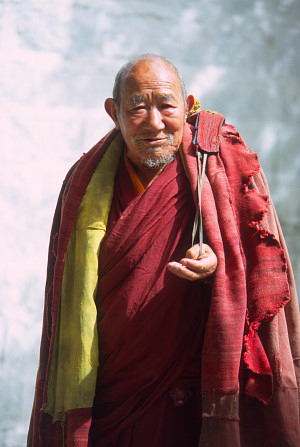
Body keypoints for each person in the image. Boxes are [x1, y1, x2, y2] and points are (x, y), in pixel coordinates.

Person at [27, 55, 300, 447]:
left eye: (166, 106)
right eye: (137, 108)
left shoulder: (223, 165)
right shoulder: (82, 185)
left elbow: (263, 269)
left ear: (189, 106)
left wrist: (220, 264)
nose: (154, 122)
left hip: (189, 404)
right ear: (113, 112)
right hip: (107, 397)